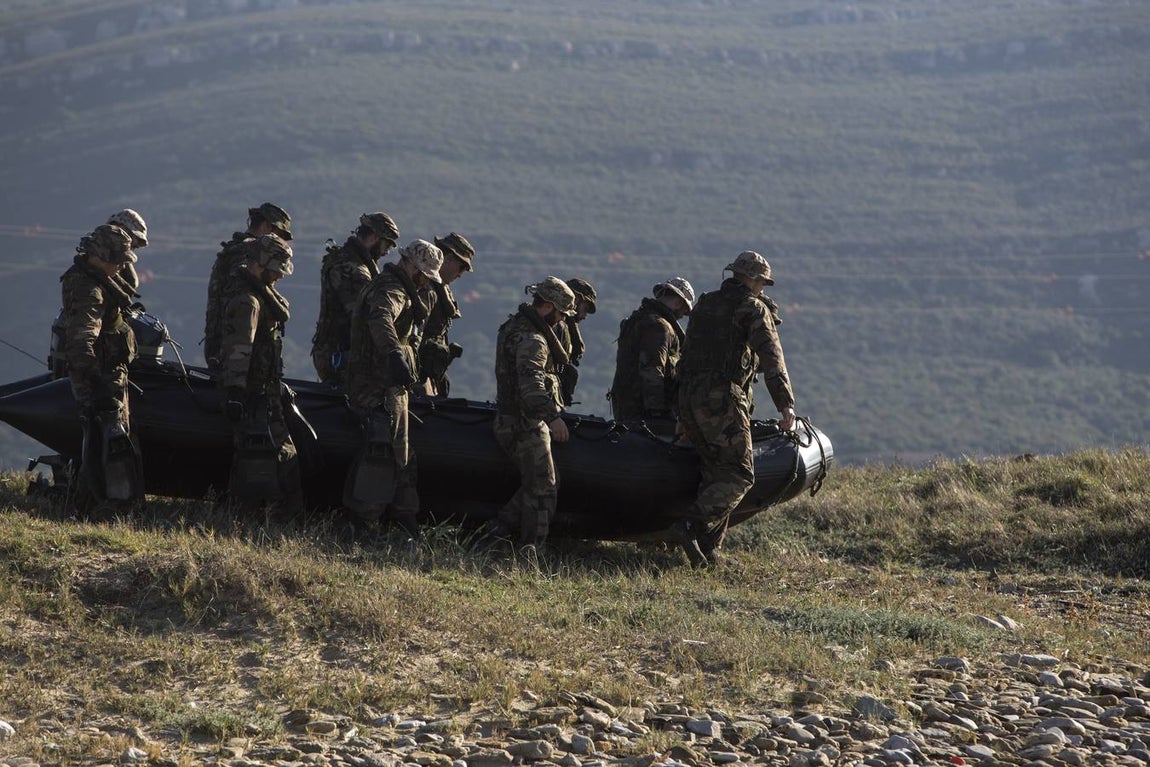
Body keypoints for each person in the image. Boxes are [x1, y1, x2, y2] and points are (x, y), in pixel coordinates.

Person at [673, 251, 796, 567]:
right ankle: (692, 524)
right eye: (762, 283)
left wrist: (682, 411)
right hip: (722, 399)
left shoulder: (705, 304)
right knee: (740, 474)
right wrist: (785, 405)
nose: (762, 289)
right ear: (753, 279)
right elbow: (772, 359)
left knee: (714, 470)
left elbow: (686, 355)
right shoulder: (752, 308)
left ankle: (708, 550)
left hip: (689, 395)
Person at [344, 239, 444, 539]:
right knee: (381, 449)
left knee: (402, 453)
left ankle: (403, 516)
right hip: (376, 383)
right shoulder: (392, 289)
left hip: (390, 385)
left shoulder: (402, 288)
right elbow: (381, 317)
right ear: (411, 265)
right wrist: (393, 354)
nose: (425, 280)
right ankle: (362, 521)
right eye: (423, 273)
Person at [59, 223, 144, 512]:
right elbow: (82, 341)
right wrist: (98, 383)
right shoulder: (89, 290)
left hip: (108, 372)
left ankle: (98, 503)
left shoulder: (98, 278)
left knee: (107, 441)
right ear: (100, 256)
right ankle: (104, 505)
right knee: (106, 443)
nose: (121, 266)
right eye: (117, 260)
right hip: (100, 376)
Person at [489, 277, 577, 549]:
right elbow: (532, 387)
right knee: (543, 487)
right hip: (524, 423)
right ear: (548, 306)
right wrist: (553, 418)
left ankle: (499, 529)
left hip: (512, 418)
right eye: (561, 313)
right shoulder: (533, 340)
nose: (562, 319)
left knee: (546, 481)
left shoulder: (514, 326)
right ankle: (531, 550)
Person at [218, 233, 303, 516]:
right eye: (276, 269)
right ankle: (266, 516)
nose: (279, 275)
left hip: (263, 387)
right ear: (260, 264)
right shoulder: (248, 301)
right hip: (253, 391)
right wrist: (236, 392)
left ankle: (247, 513)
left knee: (257, 454)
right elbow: (240, 347)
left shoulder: (259, 293)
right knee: (268, 455)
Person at [49, 209, 149, 380]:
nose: (121, 265)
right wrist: (94, 379)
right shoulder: (89, 286)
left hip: (108, 358)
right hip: (98, 365)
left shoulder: (107, 267)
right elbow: (82, 341)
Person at [311, 212, 400, 385]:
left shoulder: (347, 260)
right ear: (374, 238)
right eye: (387, 244)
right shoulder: (352, 269)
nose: (386, 252)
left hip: (338, 352)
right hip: (341, 355)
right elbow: (362, 316)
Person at [203, 203, 292, 371]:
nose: (280, 241)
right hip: (238, 351)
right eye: (279, 234)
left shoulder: (235, 251)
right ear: (266, 226)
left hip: (224, 344)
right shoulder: (250, 256)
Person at [608, 276, 695, 424]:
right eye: (684, 310)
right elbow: (652, 370)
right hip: (644, 413)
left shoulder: (638, 320)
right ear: (678, 303)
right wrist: (657, 412)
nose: (682, 315)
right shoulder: (659, 327)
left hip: (628, 408)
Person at [417, 232, 475, 397]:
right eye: (461, 267)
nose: (460, 274)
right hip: (416, 373)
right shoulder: (425, 288)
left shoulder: (441, 288)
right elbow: (415, 334)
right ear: (448, 259)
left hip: (428, 372)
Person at [554, 277, 596, 406]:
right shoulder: (556, 326)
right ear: (576, 299)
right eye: (585, 308)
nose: (584, 316)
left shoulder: (563, 327)